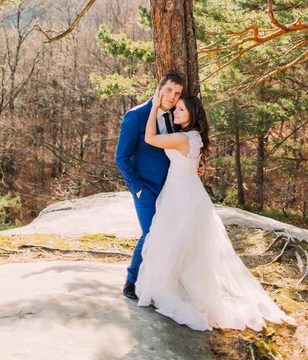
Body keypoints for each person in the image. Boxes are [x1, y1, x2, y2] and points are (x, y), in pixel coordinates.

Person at [135, 88, 298, 332]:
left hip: (181, 195)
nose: (176, 111)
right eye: (176, 108)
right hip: (190, 193)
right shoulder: (195, 136)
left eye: (181, 109)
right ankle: (182, 284)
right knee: (189, 246)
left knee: (173, 241)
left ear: (191, 115)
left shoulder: (182, 138)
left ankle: (174, 288)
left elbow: (149, 138)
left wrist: (154, 107)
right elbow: (193, 161)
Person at [115, 73, 206, 300]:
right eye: (169, 91)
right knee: (151, 233)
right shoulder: (136, 116)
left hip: (172, 188)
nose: (172, 97)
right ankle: (132, 281)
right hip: (145, 188)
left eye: (177, 94)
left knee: (170, 235)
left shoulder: (176, 117)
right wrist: (137, 189)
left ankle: (159, 280)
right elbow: (121, 158)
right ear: (159, 89)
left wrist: (195, 164)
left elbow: (181, 146)